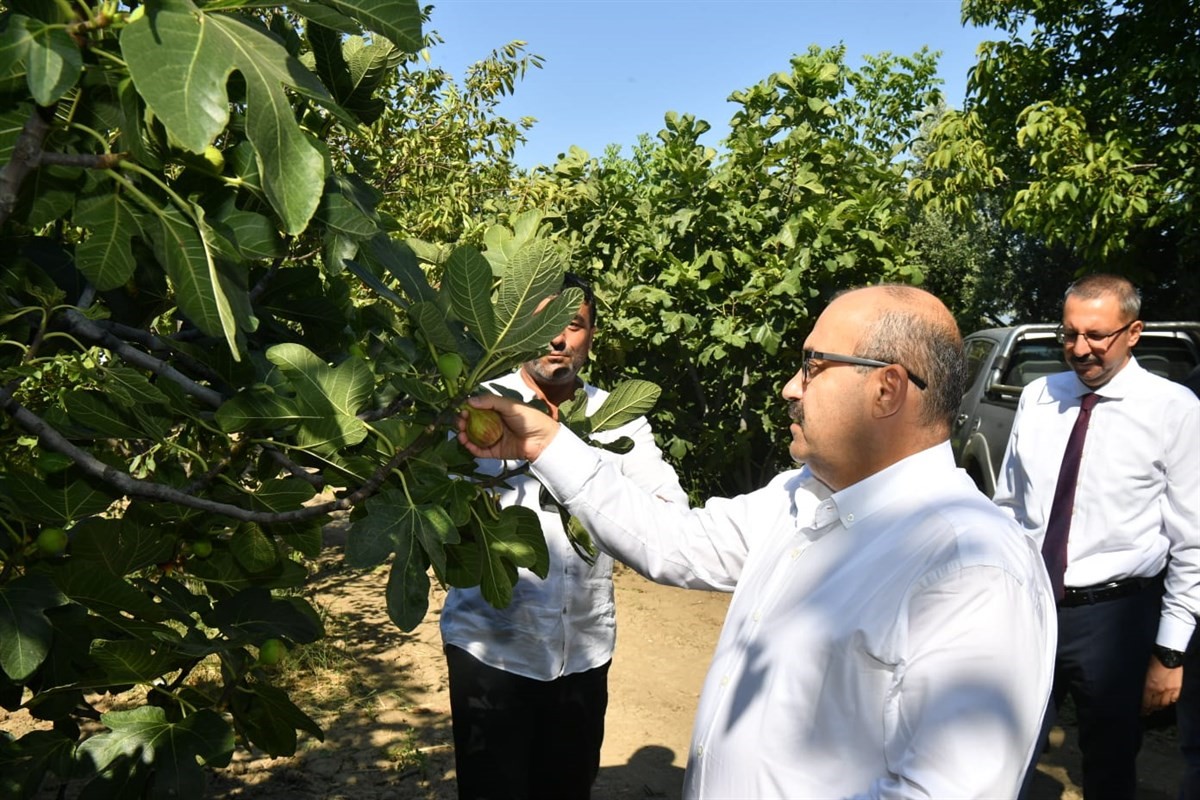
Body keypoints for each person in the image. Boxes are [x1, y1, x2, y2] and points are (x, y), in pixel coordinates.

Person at [457, 284, 1057, 798]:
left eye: (813, 366)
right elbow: (673, 540)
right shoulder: (800, 497)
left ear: (887, 388)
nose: (791, 388)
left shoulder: (970, 566)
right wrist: (545, 444)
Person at [439, 273, 687, 800]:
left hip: (585, 650)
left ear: (591, 336)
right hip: (490, 647)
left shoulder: (615, 418)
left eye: (573, 324)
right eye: (543, 322)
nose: (558, 337)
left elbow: (670, 512)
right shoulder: (477, 404)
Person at [993, 274, 1200, 799]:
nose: (1080, 349)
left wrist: (1169, 653)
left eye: (1096, 335)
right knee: (1002, 753)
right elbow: (1009, 508)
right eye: (1069, 334)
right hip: (1032, 608)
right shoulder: (1039, 396)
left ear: (1134, 332)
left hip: (1116, 622)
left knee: (1109, 766)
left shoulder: (1173, 410)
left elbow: (1192, 540)